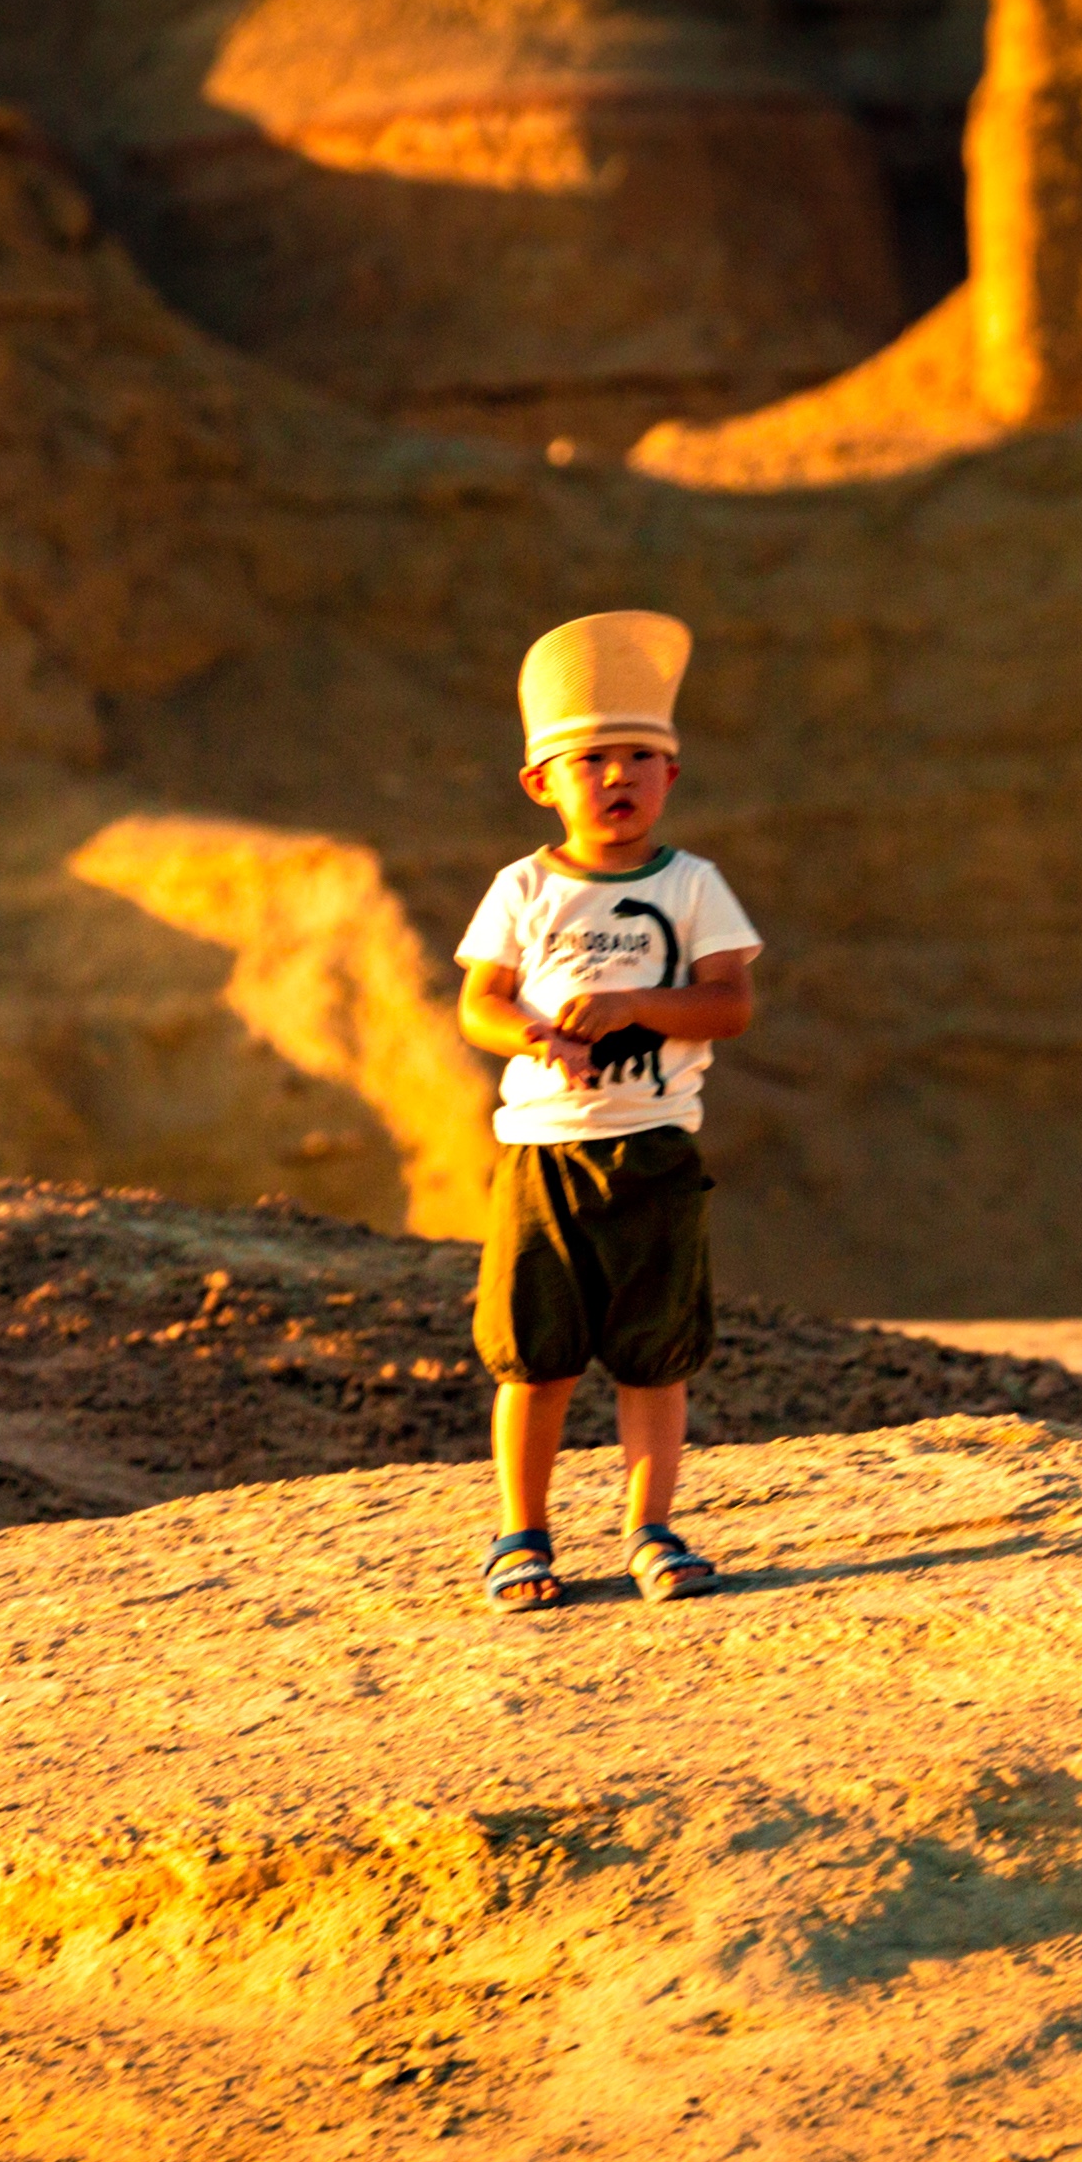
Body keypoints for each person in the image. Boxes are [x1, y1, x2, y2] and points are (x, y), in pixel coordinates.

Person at [455, 608, 763, 1610]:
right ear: (542, 783)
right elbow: (478, 1003)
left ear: (672, 776)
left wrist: (634, 1005)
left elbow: (729, 1003)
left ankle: (652, 1529)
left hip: (656, 1152)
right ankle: (521, 1534)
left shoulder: (694, 886)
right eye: (592, 759)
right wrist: (537, 1036)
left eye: (640, 756)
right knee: (533, 1360)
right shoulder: (522, 888)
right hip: (544, 1154)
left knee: (652, 1355)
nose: (618, 777)